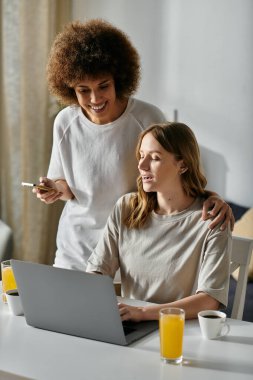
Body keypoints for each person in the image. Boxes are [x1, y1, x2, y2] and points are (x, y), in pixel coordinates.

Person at [35, 19, 234, 271]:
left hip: (129, 252)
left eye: (103, 86)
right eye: (83, 90)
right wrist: (54, 188)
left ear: (118, 78)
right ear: (69, 88)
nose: (95, 99)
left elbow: (178, 175)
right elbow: (68, 187)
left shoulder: (148, 119)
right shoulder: (65, 122)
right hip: (73, 251)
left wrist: (212, 197)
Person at [86, 122, 232, 321]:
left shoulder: (212, 219)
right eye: (141, 155)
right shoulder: (127, 208)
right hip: (130, 325)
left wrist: (143, 313)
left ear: (183, 165)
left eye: (154, 158)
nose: (141, 165)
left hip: (179, 331)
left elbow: (209, 300)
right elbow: (98, 270)